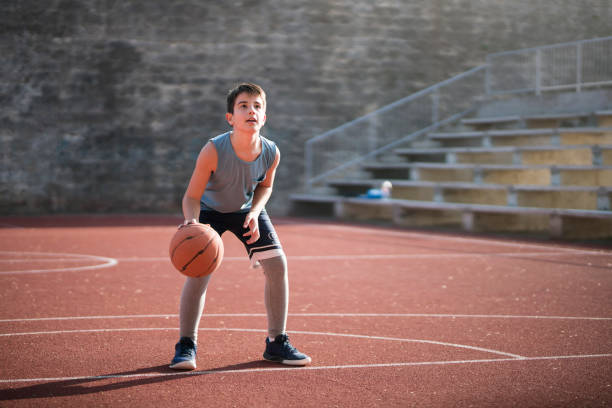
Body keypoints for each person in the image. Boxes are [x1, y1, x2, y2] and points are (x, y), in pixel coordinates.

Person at [169, 82, 311, 370]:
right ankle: (186, 345)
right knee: (199, 272)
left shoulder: (271, 151)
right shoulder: (213, 150)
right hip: (209, 210)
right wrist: (192, 223)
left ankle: (276, 342)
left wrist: (255, 212)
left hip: (247, 210)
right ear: (230, 118)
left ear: (265, 117)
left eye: (257, 106)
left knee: (277, 265)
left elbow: (266, 187)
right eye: (243, 106)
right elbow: (192, 196)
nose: (251, 111)